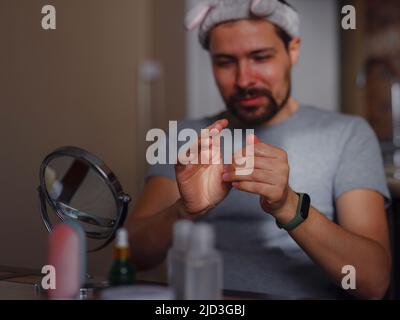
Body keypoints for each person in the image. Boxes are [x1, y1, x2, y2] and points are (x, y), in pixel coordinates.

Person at [127, 0, 392, 299]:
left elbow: (373, 281)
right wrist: (183, 212)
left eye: (260, 57)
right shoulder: (188, 137)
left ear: (293, 50)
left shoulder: (347, 135)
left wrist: (288, 205)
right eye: (226, 62)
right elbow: (132, 256)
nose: (244, 80)